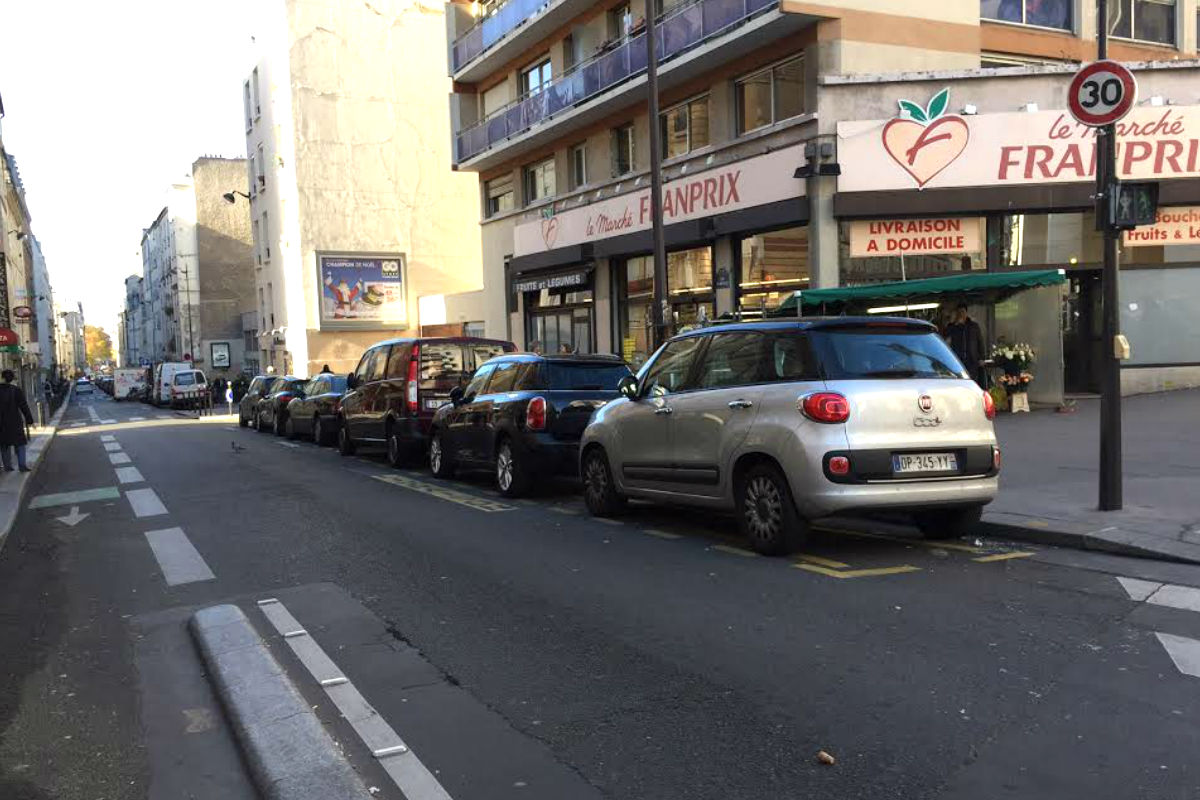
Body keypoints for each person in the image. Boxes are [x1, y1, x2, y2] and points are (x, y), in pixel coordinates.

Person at [0, 370, 35, 473]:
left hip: (1, 423)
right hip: (15, 421)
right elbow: (24, 406)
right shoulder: (16, 390)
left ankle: (7, 466)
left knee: (4, 444)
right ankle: (22, 465)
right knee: (20, 444)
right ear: (12, 379)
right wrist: (30, 420)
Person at [945, 303, 985, 386]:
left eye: (963, 312)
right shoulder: (952, 326)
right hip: (958, 360)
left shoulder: (973, 326)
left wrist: (982, 357)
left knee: (972, 381)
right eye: (959, 312)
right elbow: (946, 335)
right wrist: (955, 323)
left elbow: (980, 341)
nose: (961, 314)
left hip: (971, 360)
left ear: (966, 313)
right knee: (960, 381)